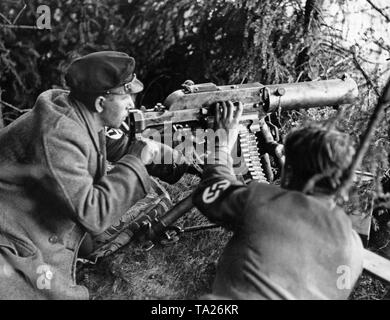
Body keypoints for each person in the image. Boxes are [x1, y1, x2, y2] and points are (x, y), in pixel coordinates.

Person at [0, 51, 190, 299]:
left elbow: (110, 146)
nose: (132, 104)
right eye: (126, 98)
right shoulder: (58, 135)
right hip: (11, 239)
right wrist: (136, 160)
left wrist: (168, 160)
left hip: (28, 225)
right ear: (101, 103)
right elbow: (93, 215)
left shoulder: (77, 113)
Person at [193, 101, 364, 299]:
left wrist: (222, 143)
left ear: (289, 171)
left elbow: (211, 191)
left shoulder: (264, 203)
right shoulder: (354, 248)